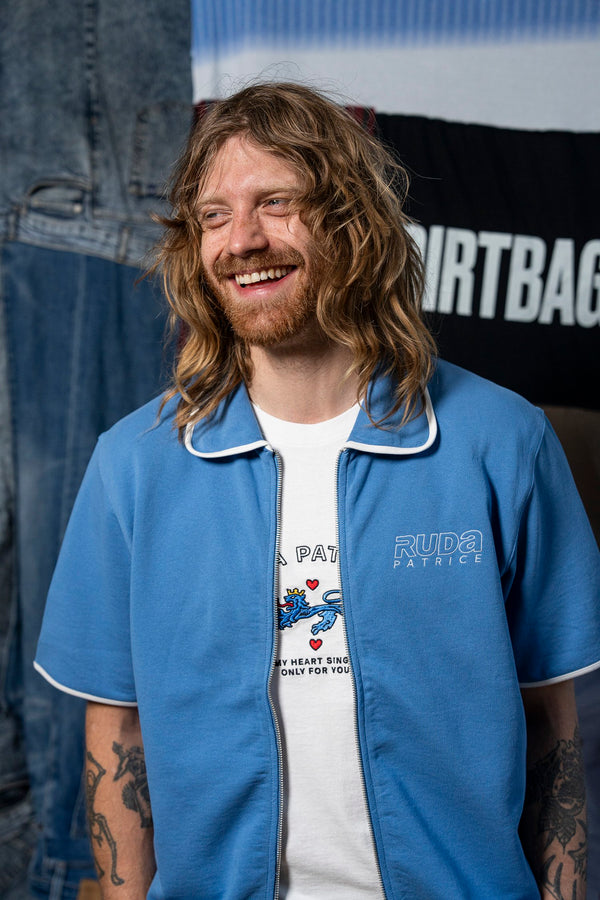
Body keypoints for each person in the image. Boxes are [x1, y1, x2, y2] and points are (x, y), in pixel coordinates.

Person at [35, 82, 599, 900]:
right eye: (214, 215)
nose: (244, 240)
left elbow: (556, 723)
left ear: (353, 222)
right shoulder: (134, 463)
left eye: (277, 201)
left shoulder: (501, 440)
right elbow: (115, 732)